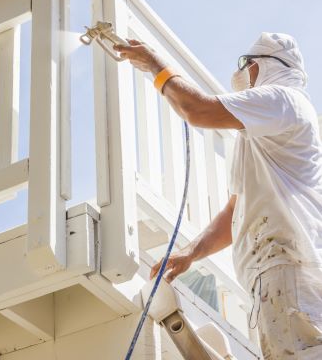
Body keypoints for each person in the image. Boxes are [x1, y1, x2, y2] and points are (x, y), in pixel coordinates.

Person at [114, 32, 322, 359]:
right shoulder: (259, 139)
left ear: (261, 67)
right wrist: (189, 254)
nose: (241, 73)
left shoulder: (283, 99)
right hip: (277, 272)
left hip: (288, 268)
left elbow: (197, 109)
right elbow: (236, 211)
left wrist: (155, 64)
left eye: (245, 64)